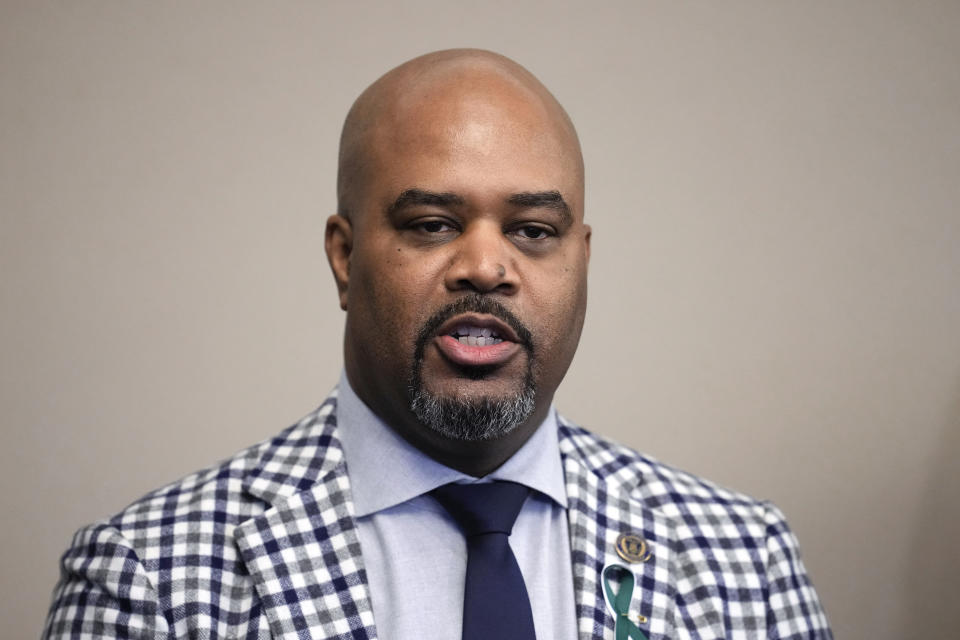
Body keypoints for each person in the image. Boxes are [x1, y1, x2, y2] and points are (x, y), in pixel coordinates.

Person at [44, 49, 832, 640]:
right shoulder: (147, 578)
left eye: (532, 231)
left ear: (581, 260)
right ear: (345, 258)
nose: (486, 266)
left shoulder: (744, 563)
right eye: (431, 225)